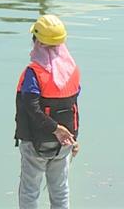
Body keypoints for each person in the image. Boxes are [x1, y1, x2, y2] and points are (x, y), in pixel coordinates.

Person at [15, 14, 81, 209]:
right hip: (64, 144)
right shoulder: (72, 71)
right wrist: (74, 137)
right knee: (60, 191)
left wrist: (55, 128)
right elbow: (74, 108)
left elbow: (31, 107)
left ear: (36, 41)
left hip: (36, 142)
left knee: (29, 191)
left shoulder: (34, 73)